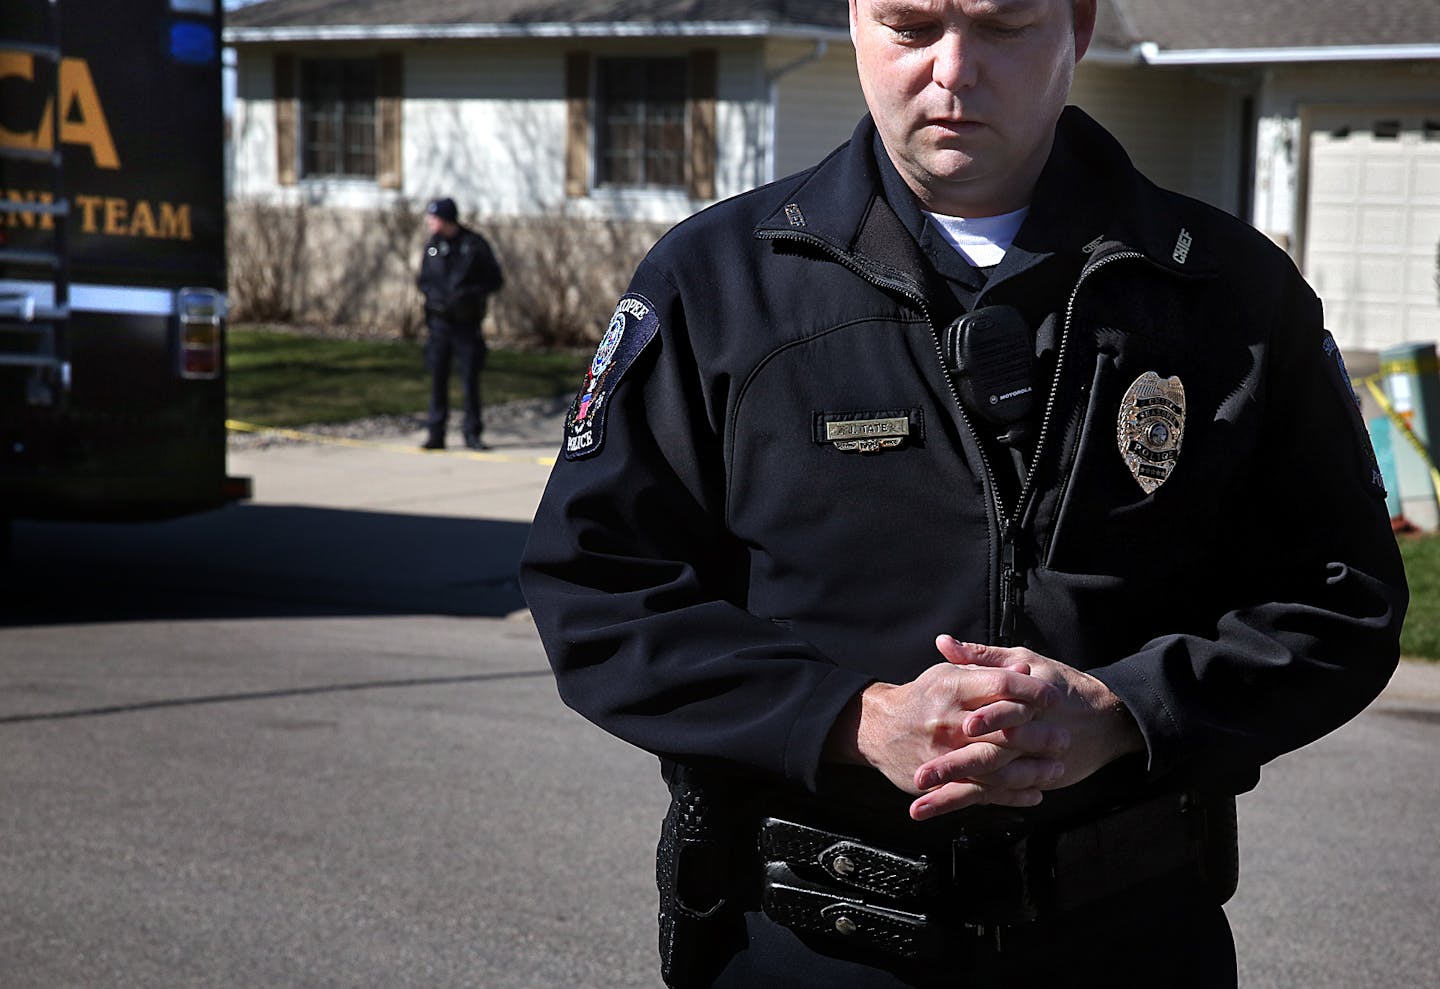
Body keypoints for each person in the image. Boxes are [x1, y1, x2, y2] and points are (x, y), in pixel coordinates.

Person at [519, 1, 1409, 985]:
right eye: (910, 26)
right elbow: (598, 590)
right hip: (809, 943)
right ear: (855, 19)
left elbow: (1339, 597)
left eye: (1002, 27)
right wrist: (853, 718)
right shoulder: (719, 283)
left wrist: (1122, 710)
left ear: (1076, 26)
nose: (952, 71)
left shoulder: (1229, 294)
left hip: (1131, 937)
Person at [415, 197, 503, 450]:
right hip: (439, 324)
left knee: (470, 381)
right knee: (438, 379)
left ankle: (472, 433)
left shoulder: (474, 245)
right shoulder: (432, 247)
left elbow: (494, 280)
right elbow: (424, 280)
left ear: (447, 219)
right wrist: (435, 298)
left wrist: (468, 294)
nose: (431, 222)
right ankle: (436, 432)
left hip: (466, 325)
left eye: (435, 218)